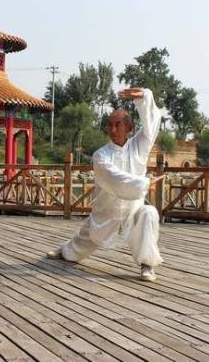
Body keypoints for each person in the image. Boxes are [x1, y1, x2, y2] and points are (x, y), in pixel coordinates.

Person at [47, 87, 163, 281]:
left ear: (129, 128)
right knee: (77, 248)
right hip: (106, 211)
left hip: (133, 209)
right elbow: (113, 177)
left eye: (118, 125)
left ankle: (147, 264)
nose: (113, 130)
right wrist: (144, 183)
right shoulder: (101, 155)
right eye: (110, 125)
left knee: (149, 213)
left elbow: (151, 125)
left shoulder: (139, 147)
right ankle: (65, 250)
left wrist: (145, 96)